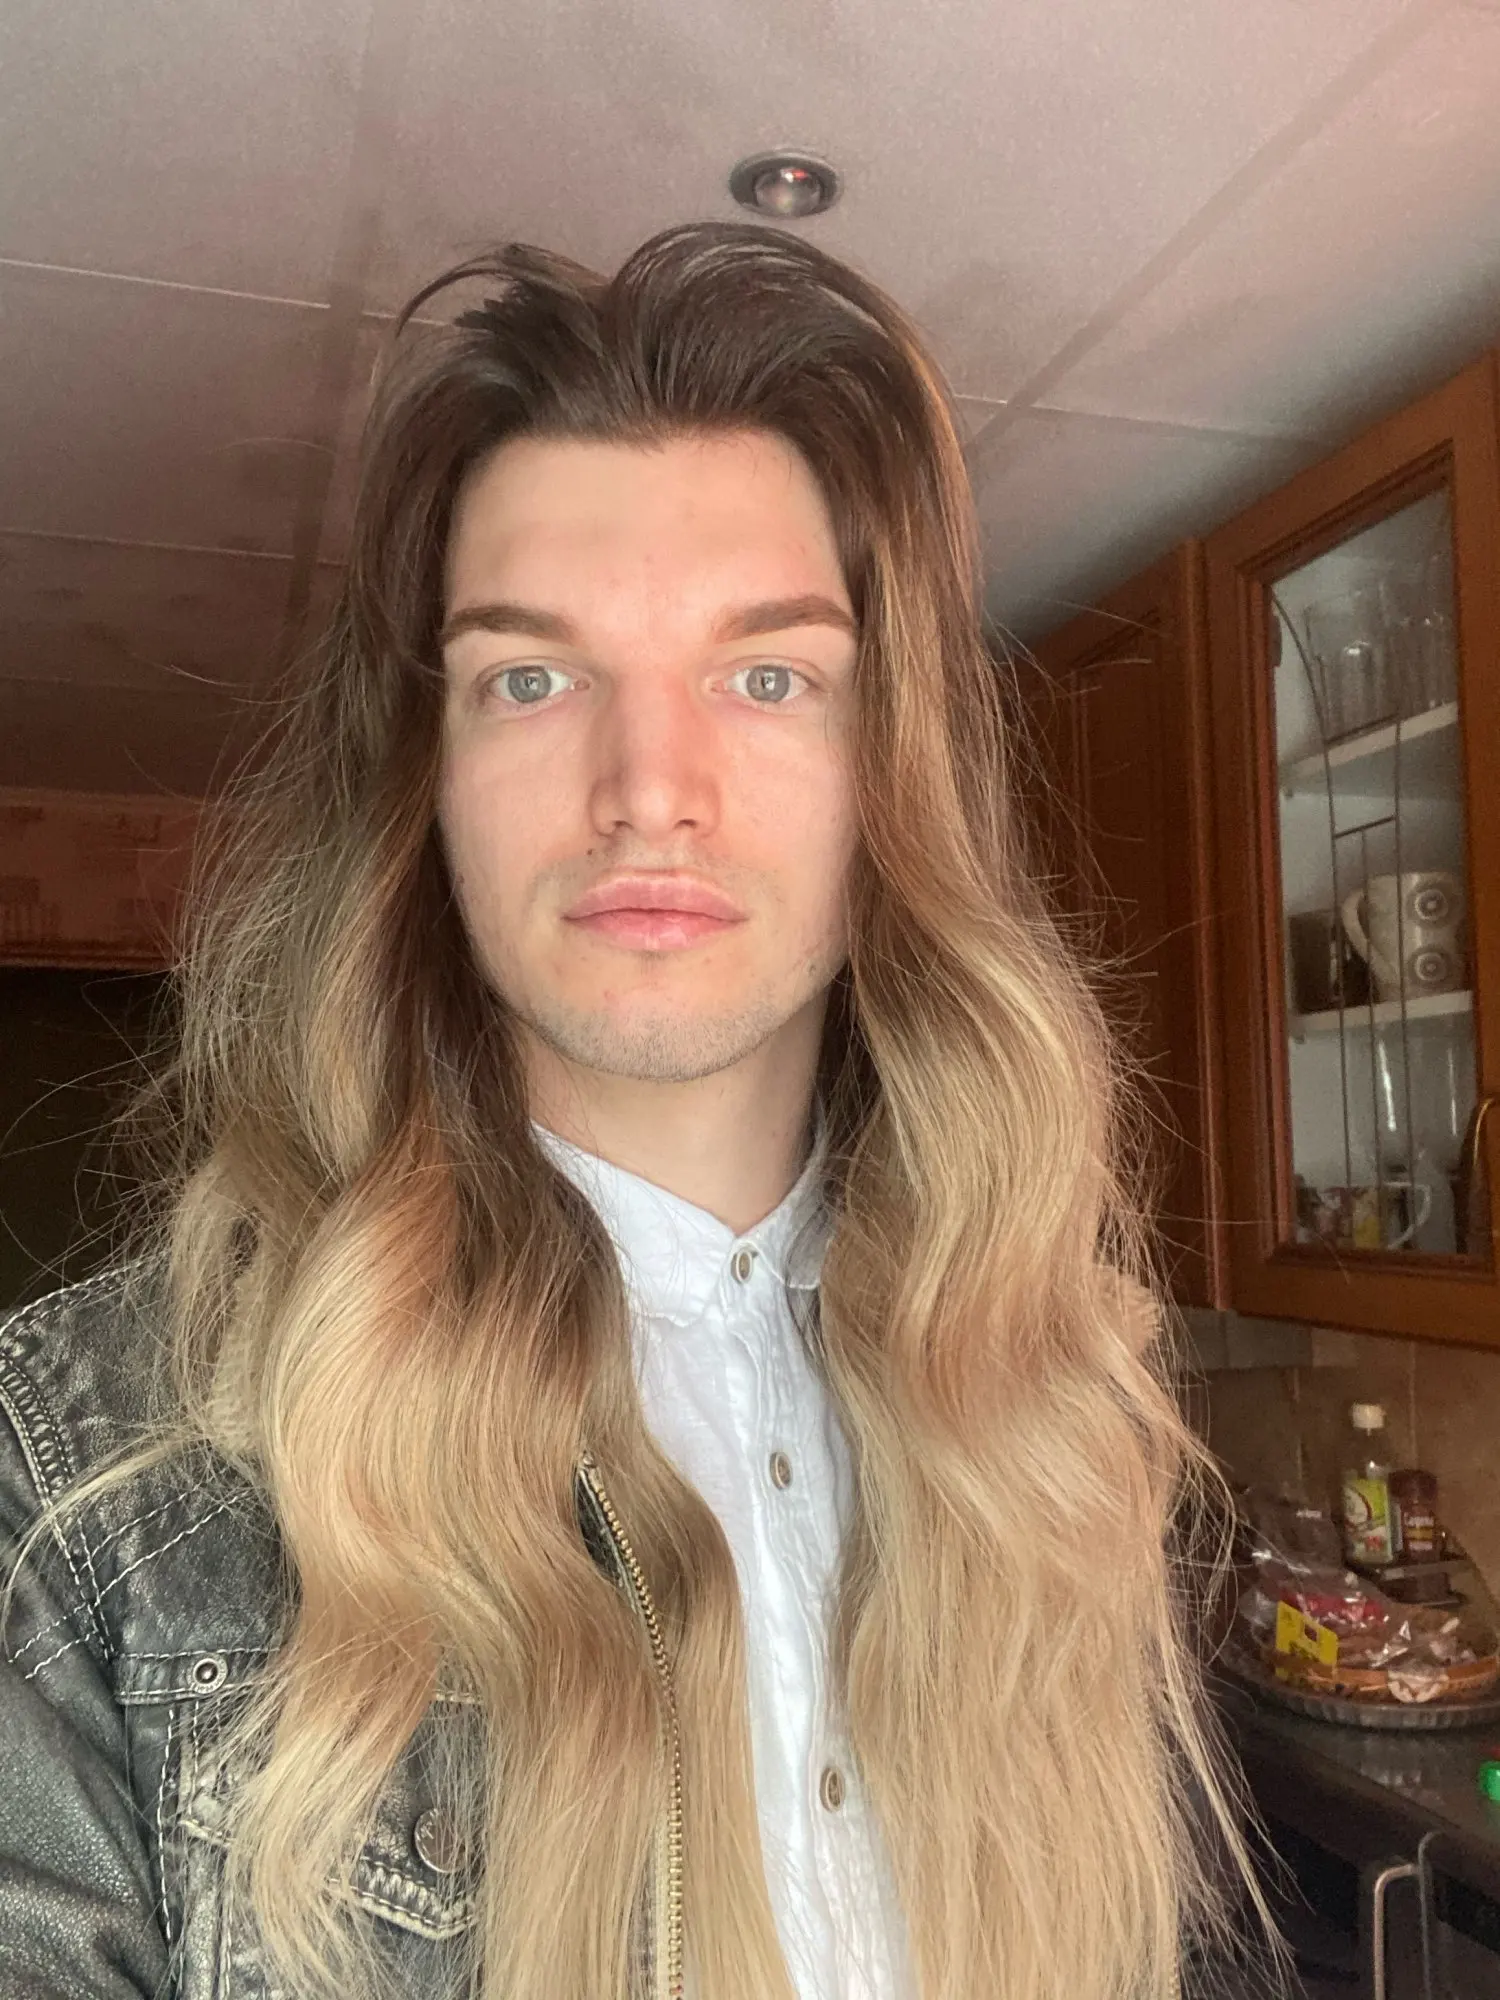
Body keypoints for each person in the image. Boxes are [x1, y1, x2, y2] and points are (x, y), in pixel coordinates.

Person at [0, 222, 1264, 2000]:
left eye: (768, 675)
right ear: (427, 784)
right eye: (531, 676)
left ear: (885, 774)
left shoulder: (1050, 1407)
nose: (649, 788)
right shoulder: (81, 1490)